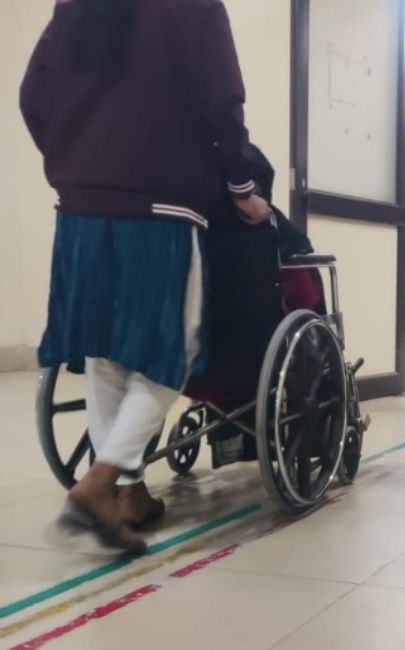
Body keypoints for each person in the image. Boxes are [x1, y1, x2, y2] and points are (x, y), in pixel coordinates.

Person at [20, 0, 269, 552]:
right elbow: (221, 105)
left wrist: (77, 160)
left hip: (80, 205)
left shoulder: (75, 5)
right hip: (161, 205)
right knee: (171, 352)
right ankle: (100, 482)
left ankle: (129, 494)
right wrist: (241, 189)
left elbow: (32, 94)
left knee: (107, 351)